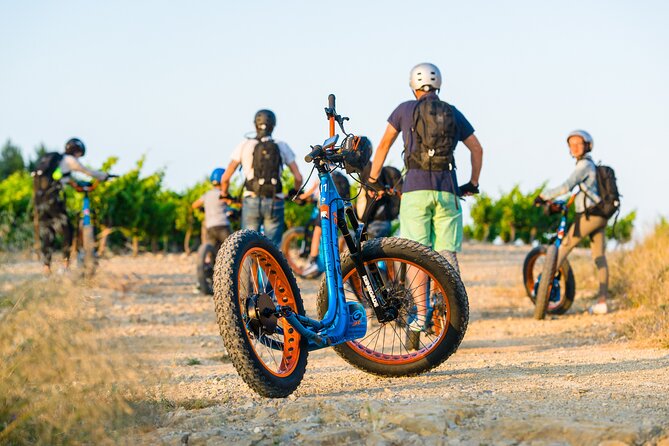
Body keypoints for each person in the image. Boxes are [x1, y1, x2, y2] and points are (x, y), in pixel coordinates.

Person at [366, 62, 484, 333]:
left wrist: (373, 179)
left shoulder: (404, 109)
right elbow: (477, 149)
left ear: (413, 85)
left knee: (418, 254)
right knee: (446, 251)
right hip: (447, 189)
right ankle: (452, 312)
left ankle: (421, 316)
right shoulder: (452, 112)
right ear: (438, 85)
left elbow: (384, 145)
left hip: (415, 189)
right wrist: (473, 183)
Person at [537, 130, 609, 315]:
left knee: (563, 249)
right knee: (599, 257)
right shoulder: (590, 165)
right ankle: (602, 302)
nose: (575, 147)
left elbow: (566, 186)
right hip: (600, 216)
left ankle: (545, 290)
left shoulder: (584, 166)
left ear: (588, 145)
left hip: (588, 216)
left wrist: (543, 196)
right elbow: (579, 192)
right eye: (572, 144)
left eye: (579, 143)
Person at [220, 109, 303, 247]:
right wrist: (294, 192)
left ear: (255, 125)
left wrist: (224, 193)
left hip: (251, 199)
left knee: (247, 246)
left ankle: (249, 267)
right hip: (275, 200)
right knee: (273, 248)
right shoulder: (281, 145)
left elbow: (225, 178)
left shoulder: (245, 145)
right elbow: (298, 177)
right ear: (273, 125)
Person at [33, 138, 108, 274]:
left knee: (47, 232)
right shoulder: (69, 160)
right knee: (68, 229)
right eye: (80, 154)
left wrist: (74, 183)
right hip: (53, 200)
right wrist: (104, 176)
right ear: (77, 152)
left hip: (39, 201)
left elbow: (65, 179)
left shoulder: (57, 163)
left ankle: (46, 268)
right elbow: (87, 171)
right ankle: (65, 266)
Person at [299, 169, 350, 278]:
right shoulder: (339, 174)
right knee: (332, 235)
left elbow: (312, 189)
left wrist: (300, 197)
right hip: (338, 207)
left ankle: (312, 261)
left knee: (317, 231)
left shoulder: (324, 172)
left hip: (326, 207)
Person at [357, 163, 403, 239]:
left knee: (369, 246)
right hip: (381, 221)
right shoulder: (389, 175)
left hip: (376, 221)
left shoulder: (369, 172)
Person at [191, 167, 231, 249]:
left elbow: (194, 205)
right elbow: (232, 202)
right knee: (231, 249)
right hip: (223, 225)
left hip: (210, 227)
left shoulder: (207, 194)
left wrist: (203, 209)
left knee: (213, 251)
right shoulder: (222, 194)